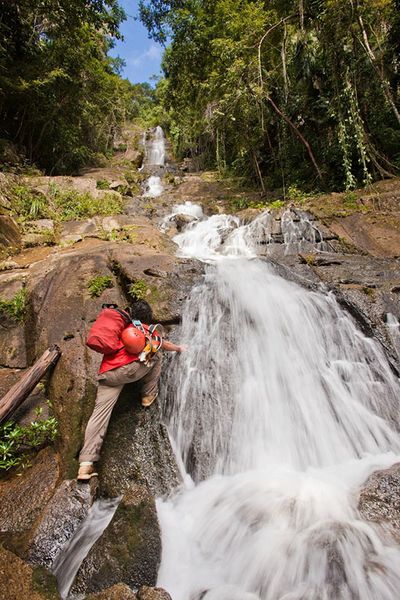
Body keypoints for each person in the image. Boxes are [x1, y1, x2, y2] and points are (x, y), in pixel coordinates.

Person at [77, 300, 185, 481]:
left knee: (99, 416)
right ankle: (148, 395)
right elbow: (161, 344)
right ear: (147, 317)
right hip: (130, 370)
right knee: (156, 354)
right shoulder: (143, 328)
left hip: (108, 375)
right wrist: (179, 348)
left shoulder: (120, 326)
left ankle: (85, 465)